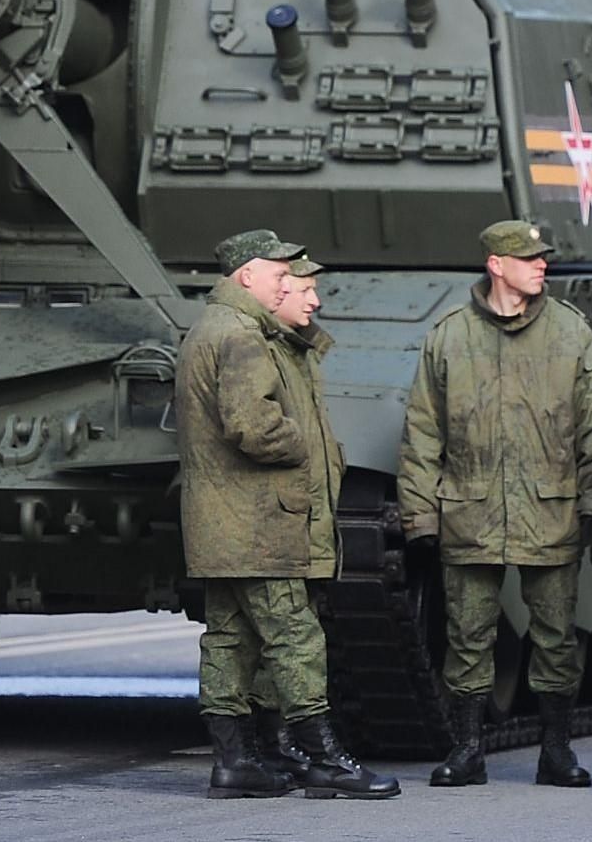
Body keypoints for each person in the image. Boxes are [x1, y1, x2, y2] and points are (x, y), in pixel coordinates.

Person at [399, 218, 592, 789]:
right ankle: (467, 748)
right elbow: (423, 434)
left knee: (556, 637)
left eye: (542, 256)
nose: (541, 264)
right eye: (527, 258)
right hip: (470, 511)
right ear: (496, 265)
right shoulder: (449, 336)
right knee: (467, 637)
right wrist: (421, 517)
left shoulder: (571, 334)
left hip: (550, 513)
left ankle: (557, 750)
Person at [179, 229, 400, 800]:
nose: (298, 291)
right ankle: (326, 758)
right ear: (247, 277)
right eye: (282, 277)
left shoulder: (214, 329)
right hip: (259, 521)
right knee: (296, 635)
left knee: (229, 637)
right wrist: (310, 445)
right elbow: (254, 428)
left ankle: (235, 762)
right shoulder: (241, 336)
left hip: (226, 521)